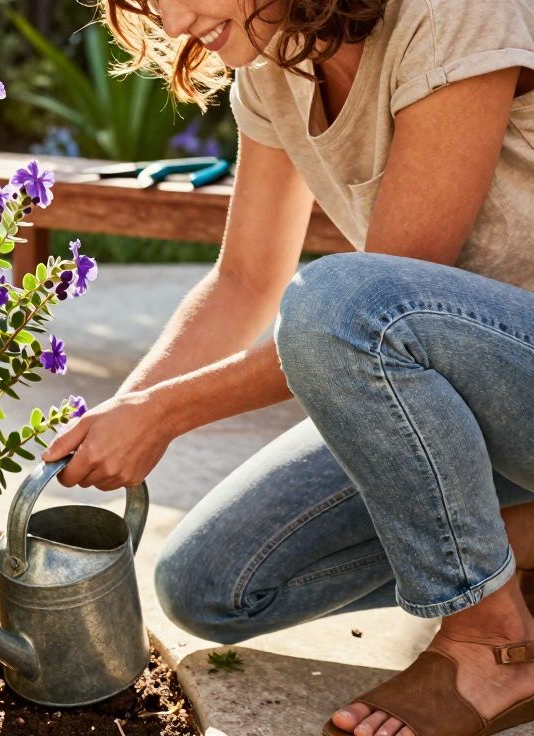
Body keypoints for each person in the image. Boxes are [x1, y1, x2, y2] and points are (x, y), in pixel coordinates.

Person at [40, 0, 534, 734]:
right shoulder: (273, 69)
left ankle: (493, 643)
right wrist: (118, 416)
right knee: (208, 584)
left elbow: (368, 311)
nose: (173, 26)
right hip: (465, 405)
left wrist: (166, 414)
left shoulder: (456, 11)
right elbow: (244, 281)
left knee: (339, 301)